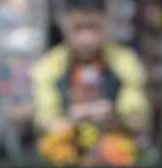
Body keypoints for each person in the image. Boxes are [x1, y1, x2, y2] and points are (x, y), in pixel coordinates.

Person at [32, 0, 150, 135]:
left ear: (106, 24)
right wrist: (72, 121)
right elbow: (45, 118)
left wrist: (114, 116)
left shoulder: (124, 62)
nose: (87, 38)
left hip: (114, 140)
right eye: (78, 28)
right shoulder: (50, 65)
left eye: (94, 28)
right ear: (64, 25)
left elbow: (136, 118)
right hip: (66, 141)